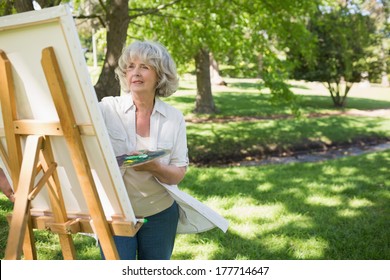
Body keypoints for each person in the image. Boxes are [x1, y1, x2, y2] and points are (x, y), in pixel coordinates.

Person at [99, 40, 228, 260]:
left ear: (159, 75)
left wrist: (155, 167)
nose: (136, 72)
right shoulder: (107, 108)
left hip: (159, 214)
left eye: (144, 67)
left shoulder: (174, 117)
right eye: (130, 66)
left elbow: (178, 172)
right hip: (116, 213)